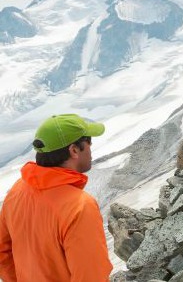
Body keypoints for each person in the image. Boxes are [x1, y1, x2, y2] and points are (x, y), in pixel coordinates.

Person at [0, 114, 112, 281]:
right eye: (89, 142)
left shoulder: (17, 190)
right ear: (74, 150)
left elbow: (3, 252)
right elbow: (91, 276)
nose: (91, 148)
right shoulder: (80, 207)